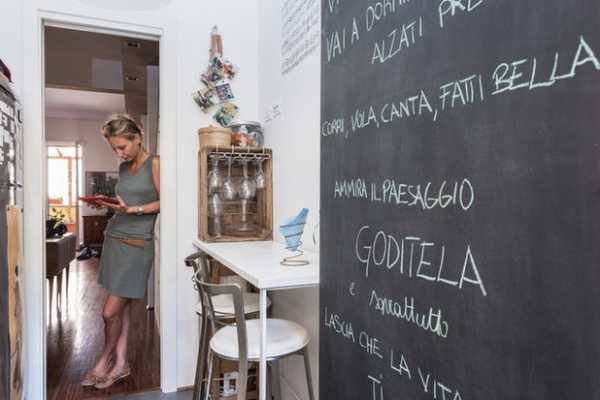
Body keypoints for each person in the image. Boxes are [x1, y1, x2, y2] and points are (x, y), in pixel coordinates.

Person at [81, 113, 160, 389]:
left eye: (122, 147)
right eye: (114, 148)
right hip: (114, 238)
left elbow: (165, 201)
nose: (119, 153)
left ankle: (104, 360)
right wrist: (108, 203)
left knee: (109, 312)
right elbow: (125, 202)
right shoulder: (125, 168)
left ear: (137, 138)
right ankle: (121, 363)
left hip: (137, 244)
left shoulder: (155, 164)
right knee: (121, 308)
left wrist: (134, 209)